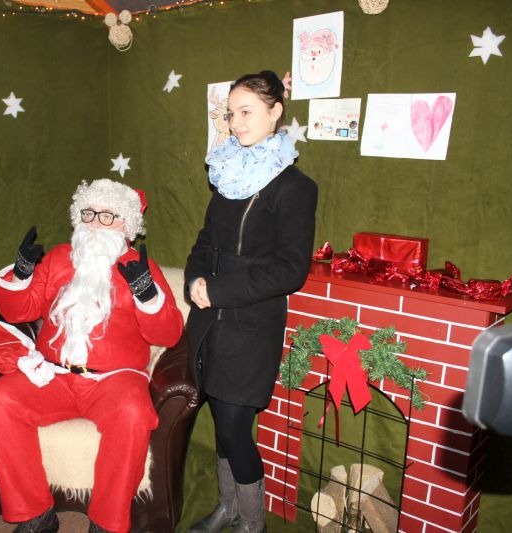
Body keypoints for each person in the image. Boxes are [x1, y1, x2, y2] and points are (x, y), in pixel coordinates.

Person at [0, 179, 184, 533]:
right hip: (54, 375)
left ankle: (106, 522)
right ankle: (35, 514)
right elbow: (17, 312)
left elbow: (167, 334)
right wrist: (22, 274)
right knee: (0, 400)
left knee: (133, 413)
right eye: (89, 214)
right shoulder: (59, 258)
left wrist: (147, 295)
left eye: (107, 216)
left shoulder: (139, 268)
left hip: (115, 380)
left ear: (127, 225)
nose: (95, 224)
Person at [185, 71, 318, 533]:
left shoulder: (295, 187)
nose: (236, 122)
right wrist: (196, 278)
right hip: (209, 321)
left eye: (246, 112)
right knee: (222, 420)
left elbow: (291, 269)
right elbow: (205, 240)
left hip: (252, 324)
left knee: (234, 426)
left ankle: (253, 522)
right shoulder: (227, 171)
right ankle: (229, 508)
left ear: (275, 111)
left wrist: (219, 290)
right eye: (231, 114)